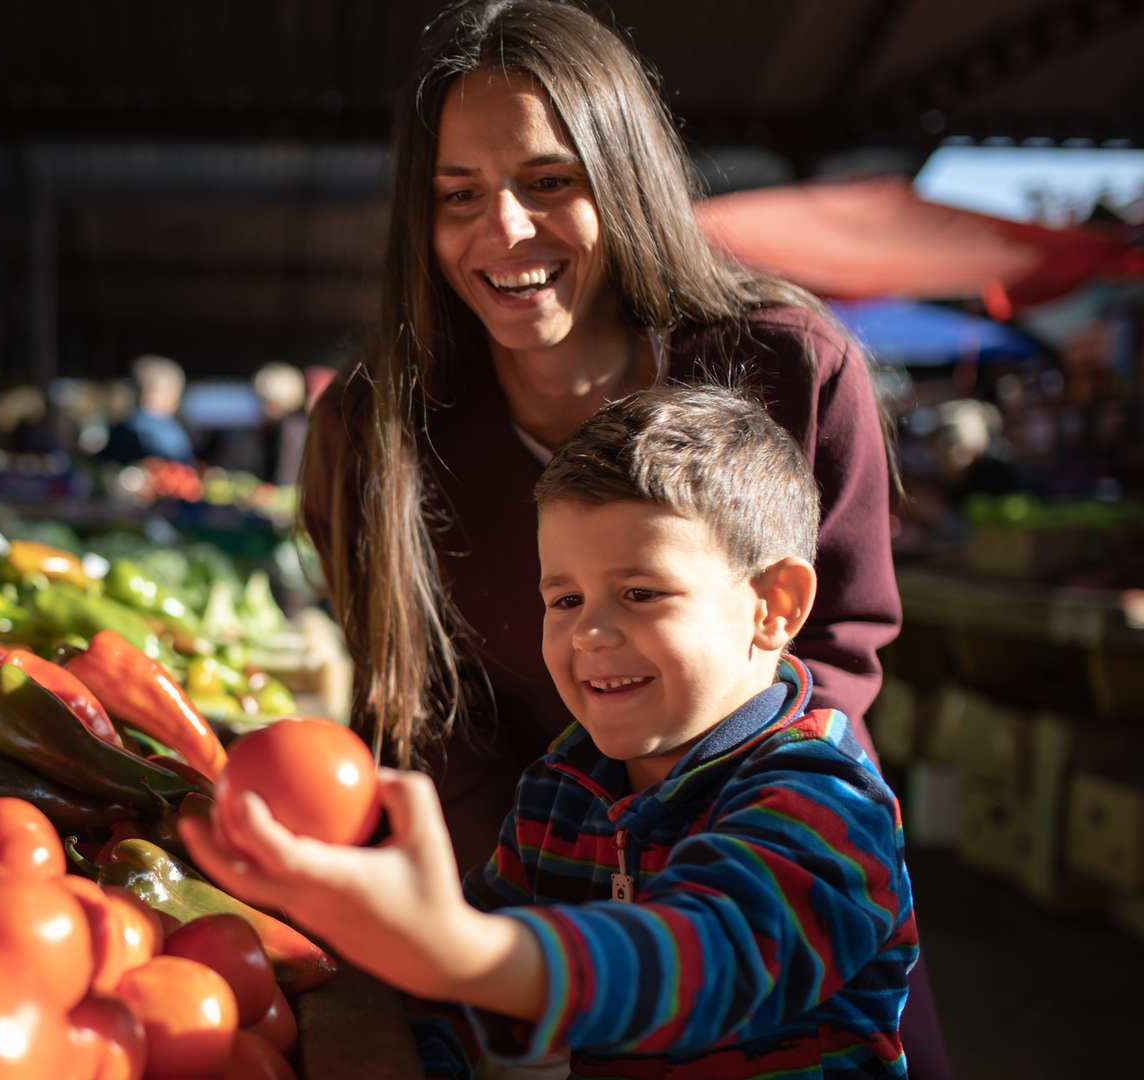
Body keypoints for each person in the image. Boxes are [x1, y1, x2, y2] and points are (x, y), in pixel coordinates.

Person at [295, 2, 945, 1072]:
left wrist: (506, 946)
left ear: (625, 172)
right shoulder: (375, 431)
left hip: (765, 900)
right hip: (532, 902)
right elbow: (422, 706)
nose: (502, 231)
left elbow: (838, 650)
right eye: (458, 196)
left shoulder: (793, 366)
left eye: (549, 181)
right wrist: (496, 940)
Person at [188, 386, 917, 1078]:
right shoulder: (562, 791)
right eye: (564, 599)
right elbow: (471, 1003)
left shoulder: (826, 801)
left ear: (775, 606)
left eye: (641, 593)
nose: (591, 633)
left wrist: (462, 951)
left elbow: (707, 963)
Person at [99, 354, 193, 464]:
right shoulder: (160, 429)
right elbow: (185, 464)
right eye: (173, 395)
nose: (177, 402)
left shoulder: (123, 426)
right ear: (148, 394)